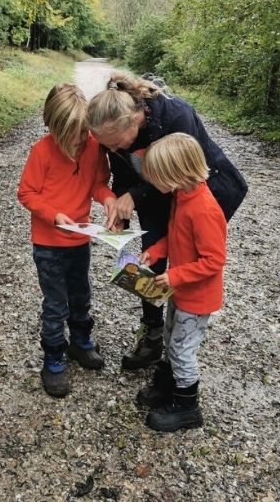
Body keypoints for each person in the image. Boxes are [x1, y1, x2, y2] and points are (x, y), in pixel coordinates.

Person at [86, 72, 246, 370]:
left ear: (134, 121)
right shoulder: (113, 137)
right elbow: (122, 173)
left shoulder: (175, 116)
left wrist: (135, 195)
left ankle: (185, 338)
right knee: (151, 259)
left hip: (198, 192)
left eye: (115, 142)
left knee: (189, 255)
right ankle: (155, 334)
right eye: (105, 146)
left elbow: (179, 172)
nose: (111, 149)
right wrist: (121, 210)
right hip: (158, 193)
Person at [17, 84, 117, 398]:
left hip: (80, 241)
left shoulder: (92, 146)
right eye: (71, 136)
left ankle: (81, 342)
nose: (78, 141)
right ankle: (53, 357)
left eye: (82, 132)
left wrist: (109, 199)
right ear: (52, 128)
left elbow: (98, 183)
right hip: (48, 244)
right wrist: (54, 215)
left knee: (81, 293)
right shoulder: (42, 151)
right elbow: (26, 193)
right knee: (55, 303)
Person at [137, 133, 227, 431]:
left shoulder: (203, 208)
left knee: (181, 349)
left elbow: (214, 260)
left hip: (197, 298)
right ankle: (166, 385)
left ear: (176, 175)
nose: (152, 183)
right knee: (170, 338)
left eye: (156, 178)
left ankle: (187, 406)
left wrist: (175, 275)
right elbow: (176, 239)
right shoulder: (183, 197)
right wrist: (155, 252)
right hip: (181, 292)